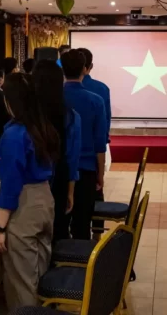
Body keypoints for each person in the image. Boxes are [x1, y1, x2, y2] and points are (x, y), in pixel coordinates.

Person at [0, 73, 60, 309]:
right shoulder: (42, 127)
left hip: (24, 205)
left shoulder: (14, 135)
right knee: (39, 274)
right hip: (45, 199)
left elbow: (10, 185)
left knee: (22, 283)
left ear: (10, 101)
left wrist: (0, 227)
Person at [32, 60, 82, 242]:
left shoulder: (27, 119)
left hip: (31, 187)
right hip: (59, 181)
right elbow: (72, 158)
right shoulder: (71, 117)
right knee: (57, 234)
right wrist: (70, 192)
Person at [61, 49, 107, 240]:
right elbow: (100, 143)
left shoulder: (54, 99)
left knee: (59, 226)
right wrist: (100, 175)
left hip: (59, 171)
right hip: (86, 170)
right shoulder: (96, 101)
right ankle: (82, 258)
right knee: (82, 226)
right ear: (84, 69)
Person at [76, 47, 112, 236]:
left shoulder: (58, 92)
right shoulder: (101, 89)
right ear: (90, 66)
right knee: (95, 197)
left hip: (63, 161)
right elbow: (104, 129)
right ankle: (97, 236)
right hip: (90, 159)